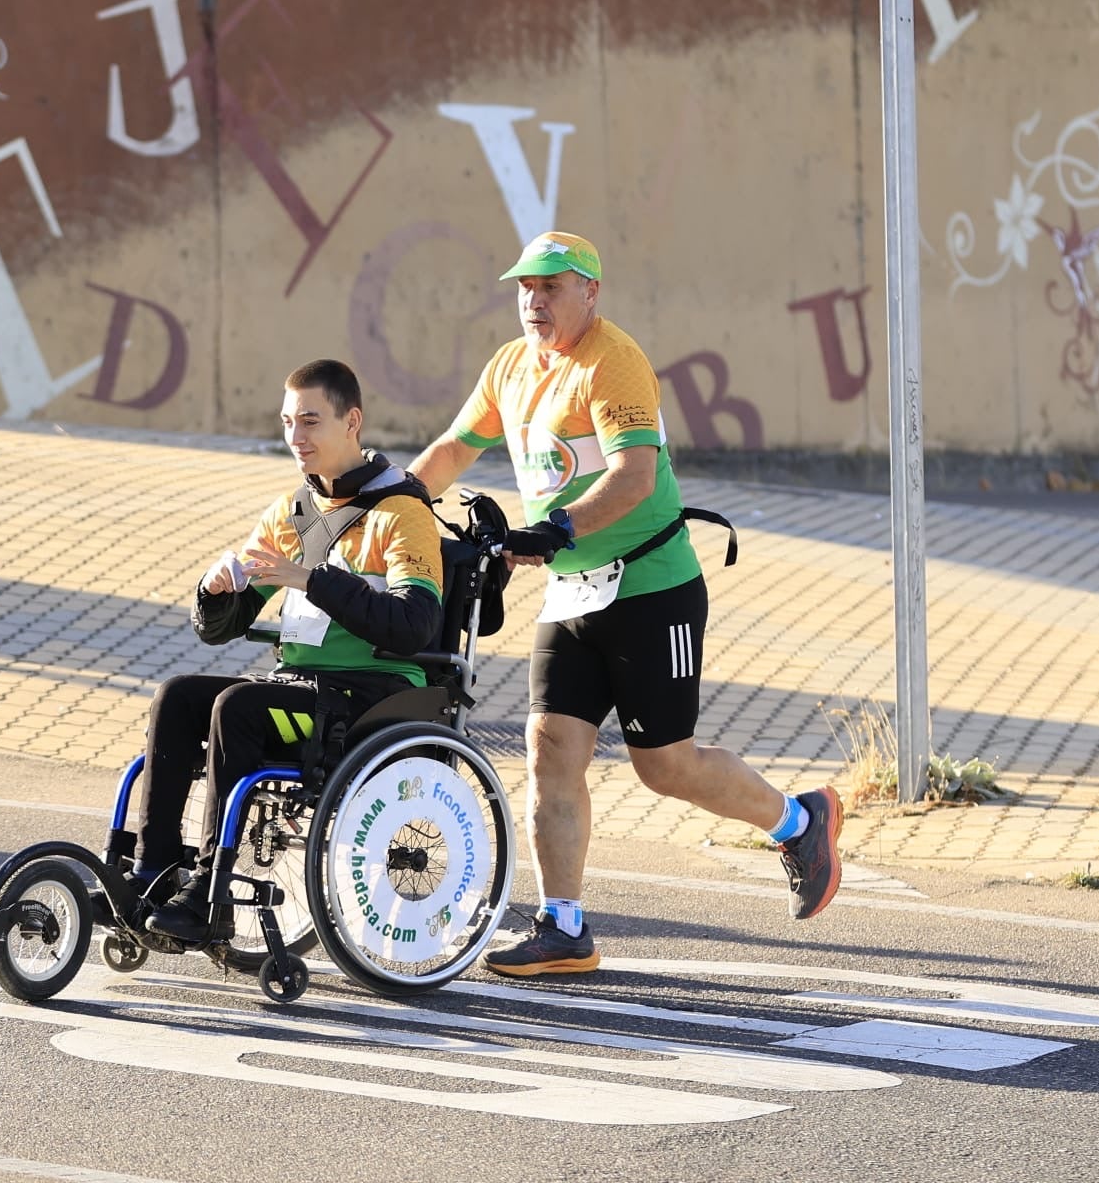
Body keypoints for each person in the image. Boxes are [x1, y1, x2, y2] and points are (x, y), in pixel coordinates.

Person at [408, 231, 843, 977]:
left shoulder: (613, 362)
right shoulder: (512, 368)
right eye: (525, 289)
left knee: (664, 767)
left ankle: (801, 822)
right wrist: (390, 511)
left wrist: (558, 527)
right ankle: (564, 926)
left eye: (552, 287)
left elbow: (635, 476)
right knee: (550, 751)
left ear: (591, 293)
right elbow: (451, 449)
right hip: (571, 591)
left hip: (651, 588)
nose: (534, 302)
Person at [131, 359, 446, 943]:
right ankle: (151, 871)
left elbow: (415, 624)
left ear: (352, 421)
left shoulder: (402, 512)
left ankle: (211, 893)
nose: (295, 438)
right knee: (177, 696)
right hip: (302, 691)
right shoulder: (292, 512)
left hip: (371, 701)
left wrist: (313, 578)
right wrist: (216, 591)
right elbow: (222, 629)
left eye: (310, 421)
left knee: (235, 708)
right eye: (286, 422)